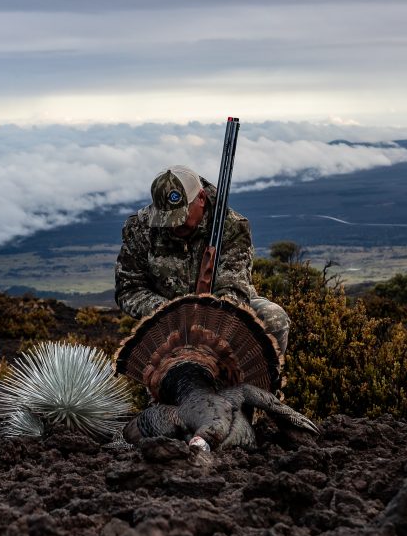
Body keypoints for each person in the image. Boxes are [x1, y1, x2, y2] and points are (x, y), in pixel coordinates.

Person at [115, 165, 290, 392]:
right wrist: (170, 312)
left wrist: (208, 325)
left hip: (223, 313)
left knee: (273, 317)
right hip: (166, 320)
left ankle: (256, 401)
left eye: (181, 216)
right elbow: (128, 288)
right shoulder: (141, 227)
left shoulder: (231, 226)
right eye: (167, 218)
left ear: (200, 198)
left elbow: (234, 289)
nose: (175, 225)